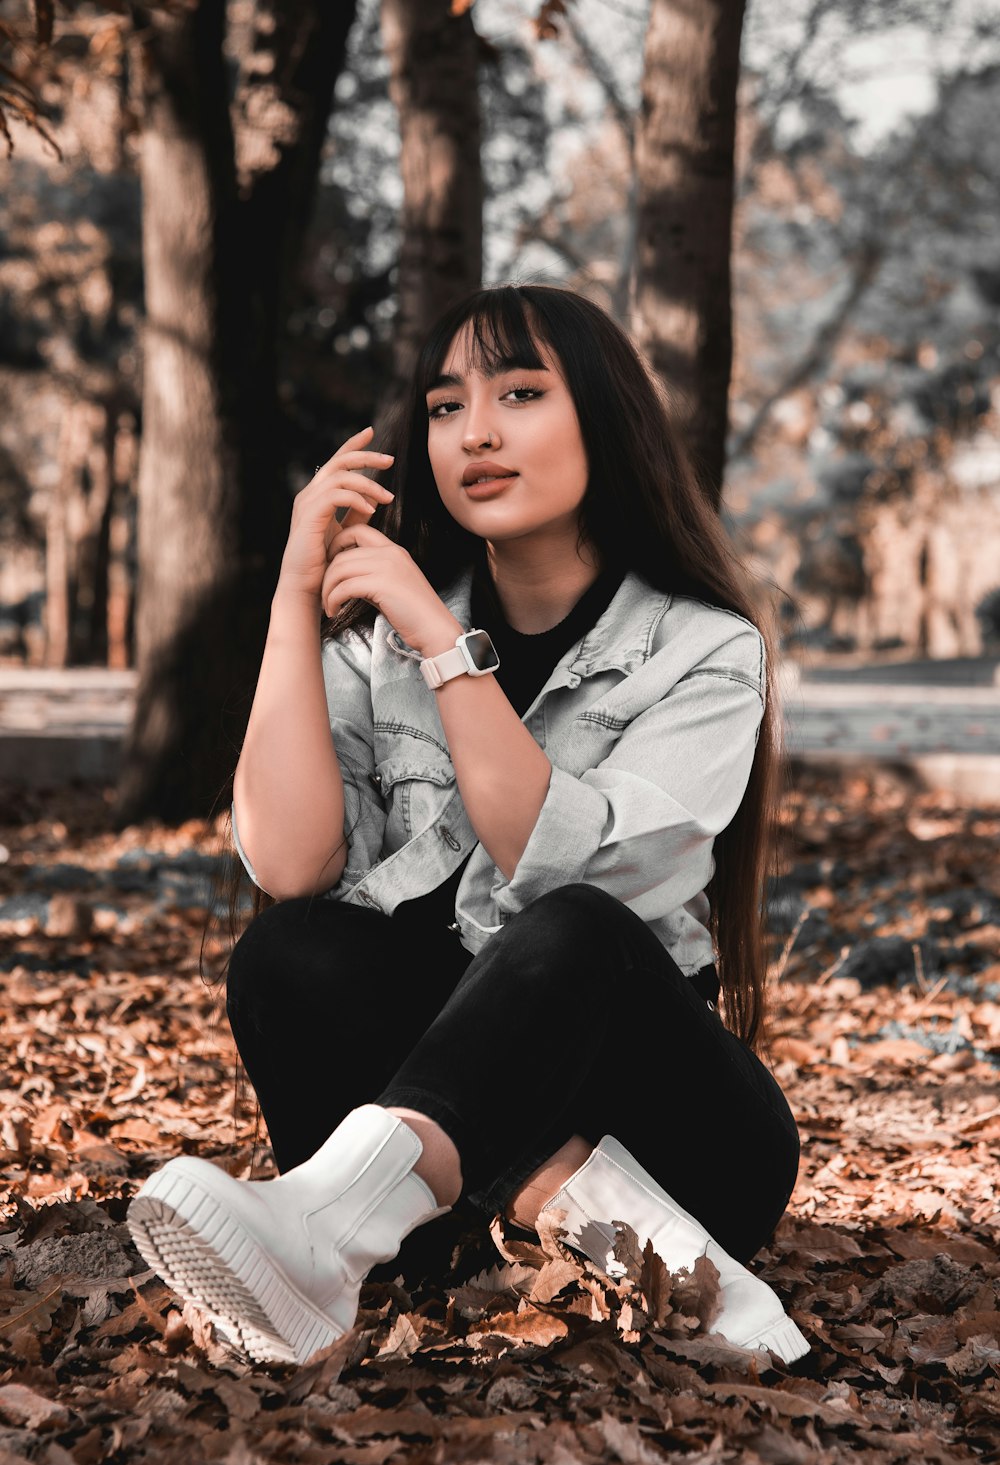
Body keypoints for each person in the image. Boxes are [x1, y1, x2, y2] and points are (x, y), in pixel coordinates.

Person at [127, 283, 809, 1369]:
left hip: (684, 1135)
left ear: (606, 421)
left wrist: (443, 642)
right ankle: (552, 1220)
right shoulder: (377, 638)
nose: (475, 431)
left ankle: (329, 1228)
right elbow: (290, 859)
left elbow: (557, 865)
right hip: (452, 1186)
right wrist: (292, 603)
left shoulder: (704, 649)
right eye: (446, 407)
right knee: (288, 951)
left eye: (521, 393)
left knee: (573, 923)